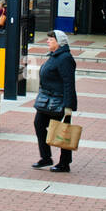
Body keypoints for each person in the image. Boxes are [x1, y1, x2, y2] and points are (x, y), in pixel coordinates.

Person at [31, 29, 78, 172]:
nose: (47, 41)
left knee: (61, 131)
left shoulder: (65, 58)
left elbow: (69, 82)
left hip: (58, 101)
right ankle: (46, 157)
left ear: (59, 42)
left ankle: (64, 163)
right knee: (40, 124)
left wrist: (68, 106)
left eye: (51, 39)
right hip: (47, 99)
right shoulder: (55, 55)